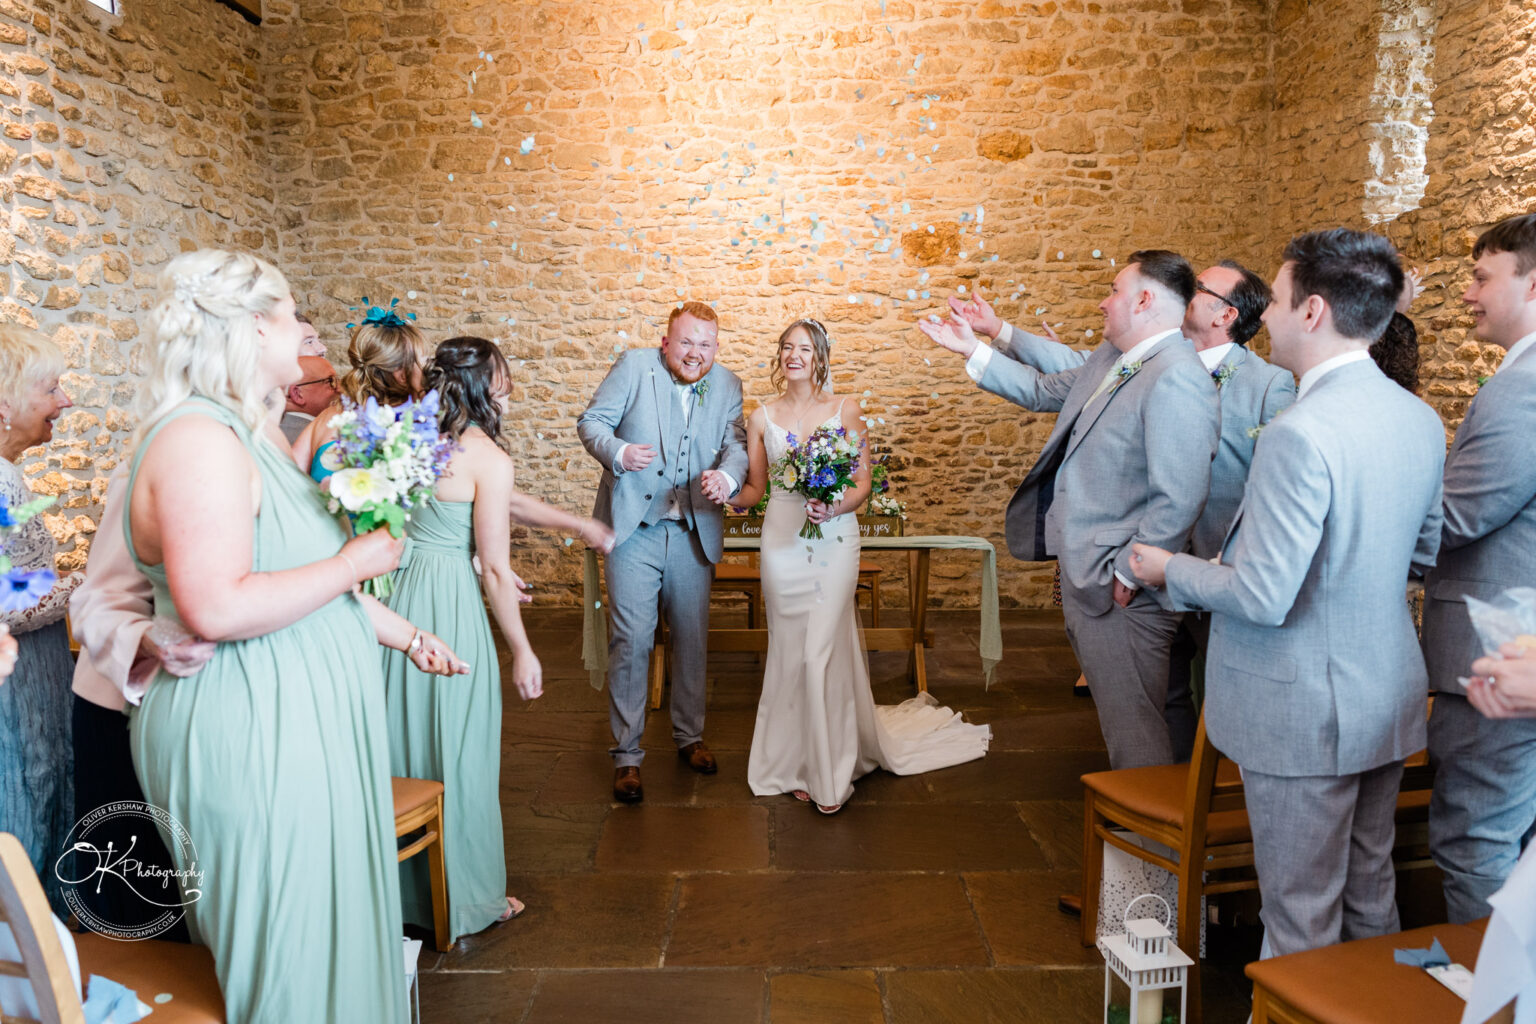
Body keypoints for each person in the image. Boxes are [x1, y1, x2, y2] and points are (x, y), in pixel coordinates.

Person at [123, 249, 466, 1024]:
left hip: (304, 719)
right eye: (290, 317)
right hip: (252, 726)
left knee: (334, 924)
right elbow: (216, 605)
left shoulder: (261, 435)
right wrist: (356, 559)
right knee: (287, 945)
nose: (304, 335)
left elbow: (298, 585)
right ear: (251, 327)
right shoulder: (199, 440)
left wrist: (403, 634)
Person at [1131, 228, 1444, 959]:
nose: (1263, 315)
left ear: (1313, 312)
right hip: (1386, 689)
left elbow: (1265, 594)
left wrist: (1167, 569)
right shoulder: (1418, 417)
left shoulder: (1299, 433)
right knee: (1371, 891)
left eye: (1275, 299)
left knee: (1299, 913)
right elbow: (1425, 554)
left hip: (1304, 708)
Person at [951, 262, 1294, 757]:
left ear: (1226, 314)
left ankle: (1220, 802)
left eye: (1199, 287)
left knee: (1232, 698)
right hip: (1141, 562)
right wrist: (991, 337)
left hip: (1214, 563)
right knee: (1159, 699)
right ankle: (1164, 798)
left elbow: (1270, 481)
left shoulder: (1268, 384)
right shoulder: (1137, 357)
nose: (1187, 289)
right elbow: (1068, 367)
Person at [920, 250, 1219, 770]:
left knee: (1133, 727)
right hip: (1090, 574)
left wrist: (1129, 568)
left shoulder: (1176, 375)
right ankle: (1153, 835)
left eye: (1114, 290)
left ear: (1145, 300)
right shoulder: (1113, 358)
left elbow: (1181, 493)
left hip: (1120, 584)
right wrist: (972, 348)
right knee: (1127, 719)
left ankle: (1146, 846)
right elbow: (1040, 388)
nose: (1104, 302)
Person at [729, 319, 989, 813]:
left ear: (820, 356)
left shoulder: (845, 409)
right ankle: (792, 763)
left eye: (804, 348)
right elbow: (756, 490)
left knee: (818, 652)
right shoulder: (760, 417)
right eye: (786, 347)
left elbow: (862, 483)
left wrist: (834, 507)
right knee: (789, 652)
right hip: (782, 540)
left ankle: (830, 770)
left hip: (834, 539)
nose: (793, 355)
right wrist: (726, 493)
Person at [381, 335, 543, 939]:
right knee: (462, 748)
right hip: (448, 604)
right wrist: (523, 649)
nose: (508, 386)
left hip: (397, 600)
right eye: (502, 375)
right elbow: (497, 569)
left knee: (399, 739)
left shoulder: (401, 433)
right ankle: (468, 895)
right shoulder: (488, 460)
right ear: (481, 386)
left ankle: (399, 898)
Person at [577, 301, 749, 803]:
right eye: (687, 342)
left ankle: (689, 736)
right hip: (635, 527)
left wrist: (729, 476)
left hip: (694, 528)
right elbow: (592, 423)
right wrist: (619, 453)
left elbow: (736, 446)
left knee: (693, 637)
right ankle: (627, 755)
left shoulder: (730, 386)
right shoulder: (634, 367)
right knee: (632, 638)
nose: (695, 353)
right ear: (666, 342)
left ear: (716, 347)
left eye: (706, 344)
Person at [1421, 212, 1536, 923]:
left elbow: (1460, 516)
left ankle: (1496, 1000)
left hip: (1499, 653)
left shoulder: (1523, 391)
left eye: (1481, 276)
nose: (1467, 293)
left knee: (1475, 840)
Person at [68, 458, 216, 939]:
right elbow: (99, 600)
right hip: (122, 703)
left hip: (204, 716)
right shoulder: (147, 468)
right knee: (137, 898)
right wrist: (151, 639)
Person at [0, 325, 84, 914]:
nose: (65, 401)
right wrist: (94, 579)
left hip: (39, 675)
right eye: (50, 388)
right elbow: (6, 600)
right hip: (15, 687)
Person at [293, 308, 428, 483]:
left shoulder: (329, 416)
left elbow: (287, 480)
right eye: (424, 359)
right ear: (402, 372)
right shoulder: (417, 423)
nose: (427, 368)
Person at [279, 354, 339, 443]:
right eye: (331, 381)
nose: (340, 388)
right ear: (297, 394)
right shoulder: (317, 439)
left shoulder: (275, 430)